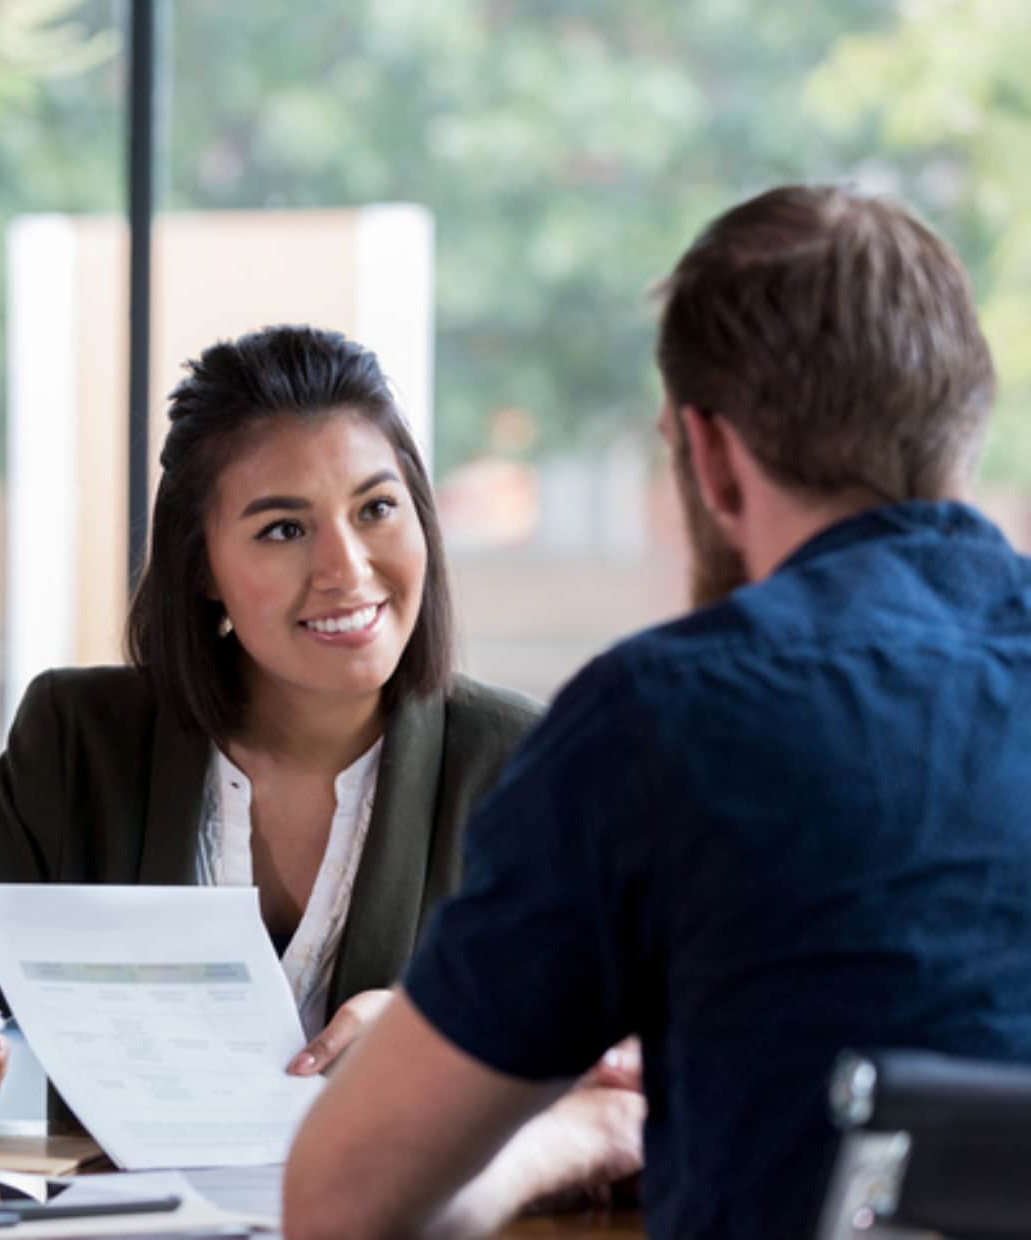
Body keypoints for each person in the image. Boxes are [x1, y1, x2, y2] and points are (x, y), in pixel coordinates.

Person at [283, 184, 1031, 1240]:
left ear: (711, 455)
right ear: (966, 416)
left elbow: (341, 1204)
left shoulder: (665, 719)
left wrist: (576, 1134)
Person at [0, 325, 640, 1207]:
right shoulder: (82, 743)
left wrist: (446, 1045)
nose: (346, 569)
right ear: (202, 567)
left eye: (377, 509)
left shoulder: (526, 765)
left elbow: (629, 1070)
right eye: (283, 529)